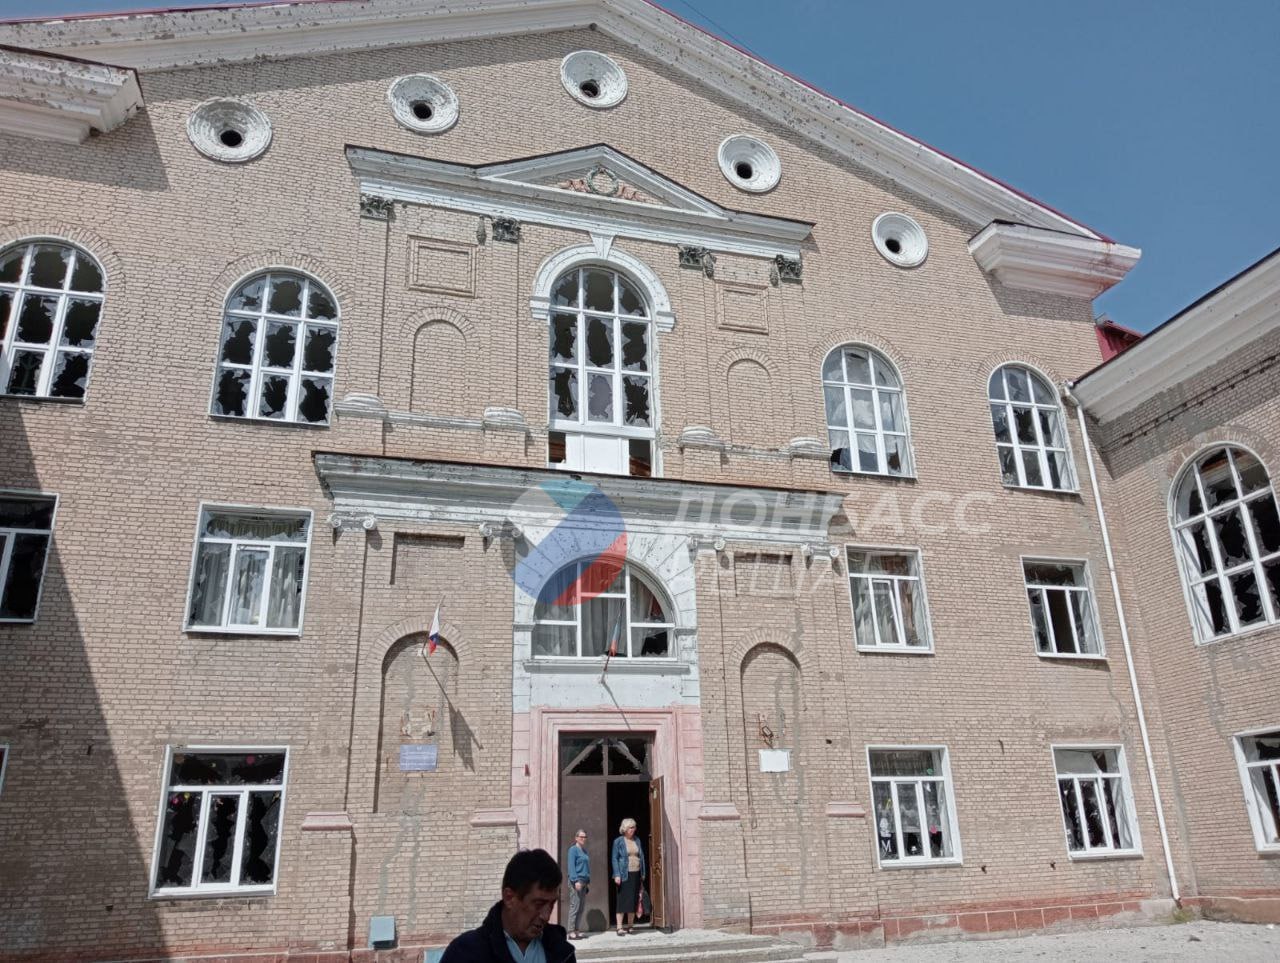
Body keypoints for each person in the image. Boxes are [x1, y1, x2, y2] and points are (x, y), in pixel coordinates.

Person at [440, 848, 575, 963]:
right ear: (509, 898)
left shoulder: (562, 952)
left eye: (552, 904)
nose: (546, 916)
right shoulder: (465, 953)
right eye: (539, 904)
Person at [610, 817, 646, 936]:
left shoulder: (637, 840)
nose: (633, 829)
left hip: (636, 873)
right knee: (622, 900)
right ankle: (619, 927)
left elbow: (641, 857)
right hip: (624, 874)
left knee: (633, 900)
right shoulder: (618, 841)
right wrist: (617, 874)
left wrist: (643, 873)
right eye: (631, 827)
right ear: (625, 829)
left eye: (634, 827)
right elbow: (614, 858)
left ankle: (630, 926)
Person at [565, 829, 590, 940]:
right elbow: (571, 866)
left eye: (585, 837)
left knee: (581, 907)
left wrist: (587, 881)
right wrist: (575, 881)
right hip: (576, 881)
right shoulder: (573, 850)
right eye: (581, 837)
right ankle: (570, 931)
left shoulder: (584, 851)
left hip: (584, 881)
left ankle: (576, 930)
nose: (583, 839)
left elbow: (586, 868)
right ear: (576, 838)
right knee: (575, 906)